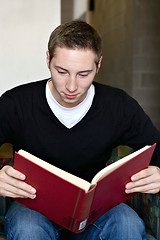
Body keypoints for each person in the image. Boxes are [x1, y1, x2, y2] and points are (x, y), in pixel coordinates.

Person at [0, 20, 160, 240]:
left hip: (97, 212)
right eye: (62, 72)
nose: (72, 86)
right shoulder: (15, 103)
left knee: (128, 224)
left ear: (99, 64)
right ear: (48, 59)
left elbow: (157, 150)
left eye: (84, 74)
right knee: (27, 229)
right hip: (33, 208)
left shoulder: (119, 106)